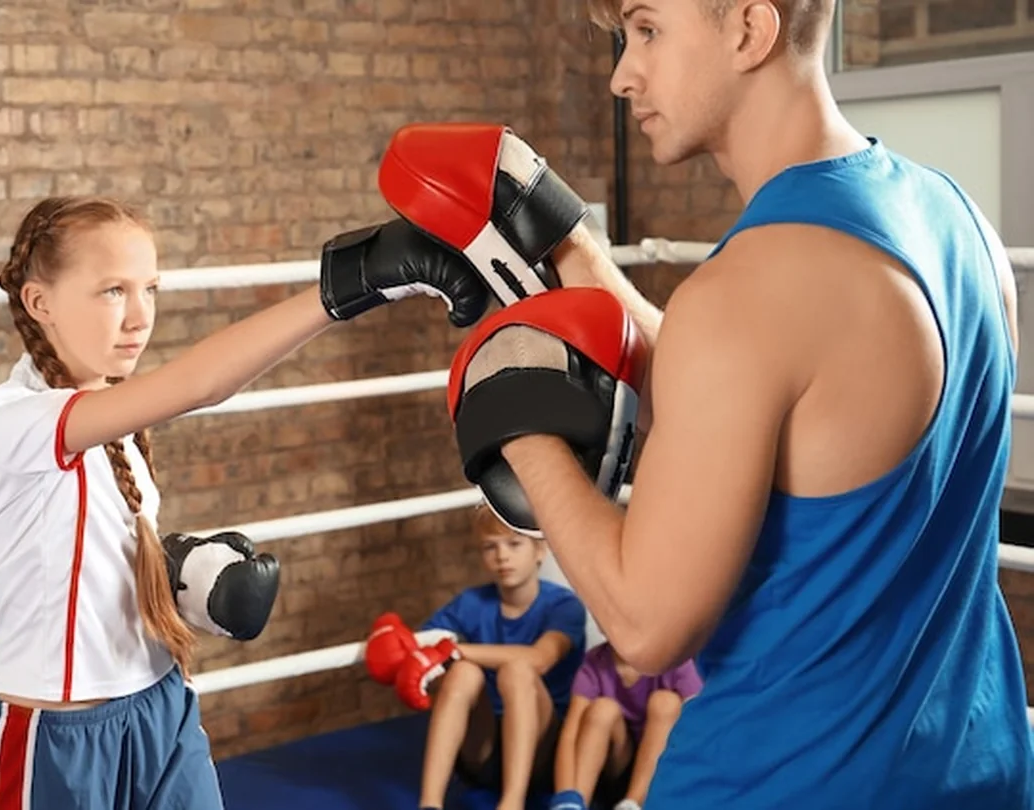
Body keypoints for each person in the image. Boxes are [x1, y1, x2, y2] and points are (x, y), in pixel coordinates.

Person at [373, 0, 1034, 806]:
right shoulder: (957, 221)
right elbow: (759, 400)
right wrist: (570, 248)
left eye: (648, 30)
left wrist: (512, 416)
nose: (622, 74)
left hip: (778, 780)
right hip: (971, 766)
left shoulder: (742, 297)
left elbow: (647, 628)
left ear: (748, 30)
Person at [0, 196, 496, 809]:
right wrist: (352, 284)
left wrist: (181, 583)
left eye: (150, 289)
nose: (139, 317)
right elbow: (200, 384)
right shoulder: (14, 419)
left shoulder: (114, 419)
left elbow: (86, 563)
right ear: (40, 303)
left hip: (160, 705)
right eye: (112, 291)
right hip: (57, 738)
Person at [366, 506, 587, 810]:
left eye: (514, 544)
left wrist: (456, 651)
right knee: (463, 673)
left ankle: (512, 803)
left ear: (540, 550)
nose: (502, 556)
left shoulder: (564, 606)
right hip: (480, 751)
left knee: (517, 672)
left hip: (542, 752)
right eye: (490, 546)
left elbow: (540, 658)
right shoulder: (471, 603)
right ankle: (430, 803)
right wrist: (399, 647)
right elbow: (423, 650)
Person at [551, 643, 702, 810]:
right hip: (617, 766)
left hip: (662, 769)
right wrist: (565, 794)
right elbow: (570, 735)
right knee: (602, 710)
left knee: (666, 702)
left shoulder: (674, 657)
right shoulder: (595, 662)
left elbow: (701, 725)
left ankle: (633, 804)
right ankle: (576, 803)